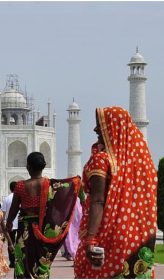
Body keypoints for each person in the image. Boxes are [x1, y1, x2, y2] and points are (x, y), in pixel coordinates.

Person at [74, 107, 157, 278]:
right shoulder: (139, 163)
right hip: (136, 236)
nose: (96, 129)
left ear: (114, 127)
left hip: (107, 234)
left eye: (101, 124)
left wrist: (90, 238)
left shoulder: (102, 159)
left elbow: (98, 200)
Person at [7, 152, 81, 278]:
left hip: (25, 230)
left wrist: (8, 224)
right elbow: (67, 191)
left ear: (28, 167)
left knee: (23, 262)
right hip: (44, 229)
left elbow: (13, 211)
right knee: (42, 263)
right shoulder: (51, 185)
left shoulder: (20, 186)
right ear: (43, 167)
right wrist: (77, 181)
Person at [2, 181, 19, 268]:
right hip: (19, 224)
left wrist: (3, 224)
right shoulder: (20, 198)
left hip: (10, 224)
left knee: (10, 243)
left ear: (10, 188)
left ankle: (12, 262)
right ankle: (19, 261)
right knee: (19, 243)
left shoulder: (6, 199)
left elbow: (3, 214)